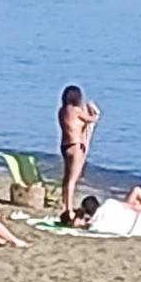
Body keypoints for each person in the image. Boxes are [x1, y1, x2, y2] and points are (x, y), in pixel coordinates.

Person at [59, 85, 100, 222]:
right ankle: (68, 209)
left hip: (65, 145)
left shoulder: (62, 111)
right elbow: (92, 119)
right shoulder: (76, 111)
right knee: (72, 180)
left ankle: (65, 205)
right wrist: (93, 110)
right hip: (76, 146)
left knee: (66, 178)